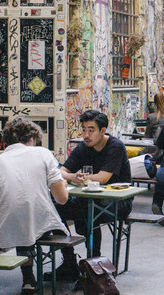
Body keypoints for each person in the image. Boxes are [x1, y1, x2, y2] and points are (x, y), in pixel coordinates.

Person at [0, 117, 71, 293]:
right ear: (32, 138)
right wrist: (63, 183)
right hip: (38, 225)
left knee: (23, 215)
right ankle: (71, 266)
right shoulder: (42, 153)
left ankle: (28, 279)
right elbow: (62, 199)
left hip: (5, 227)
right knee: (37, 215)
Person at [57, 110, 133, 258]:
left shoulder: (115, 147)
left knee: (89, 213)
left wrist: (78, 179)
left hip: (117, 202)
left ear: (103, 131)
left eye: (91, 130)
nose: (86, 135)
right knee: (55, 210)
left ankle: (94, 261)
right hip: (89, 200)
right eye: (84, 130)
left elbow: (102, 178)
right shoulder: (83, 147)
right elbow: (61, 171)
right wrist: (72, 176)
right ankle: (68, 259)